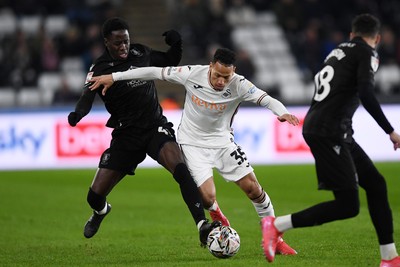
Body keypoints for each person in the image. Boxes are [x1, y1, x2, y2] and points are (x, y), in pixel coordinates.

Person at [89, 47, 300, 256]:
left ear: (233, 71)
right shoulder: (191, 73)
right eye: (217, 75)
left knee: (254, 189)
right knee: (207, 198)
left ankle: (274, 239)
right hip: (192, 144)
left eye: (226, 77)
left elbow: (266, 99)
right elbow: (152, 71)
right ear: (210, 67)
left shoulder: (240, 84)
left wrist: (282, 112)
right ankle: (218, 216)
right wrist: (115, 77)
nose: (221, 82)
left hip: (223, 143)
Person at [260, 14, 400, 266]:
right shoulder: (367, 53)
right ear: (376, 39)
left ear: (351, 35)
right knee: (348, 205)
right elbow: (367, 93)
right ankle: (277, 224)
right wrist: (390, 130)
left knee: (376, 185)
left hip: (333, 129)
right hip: (329, 131)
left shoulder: (336, 53)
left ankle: (389, 258)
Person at [67, 17, 221, 247]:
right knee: (94, 196)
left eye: (126, 41)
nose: (123, 47)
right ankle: (101, 212)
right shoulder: (100, 69)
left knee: (181, 169)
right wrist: (78, 114)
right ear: (106, 42)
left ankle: (202, 225)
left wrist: (176, 44)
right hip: (126, 136)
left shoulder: (141, 54)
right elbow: (87, 97)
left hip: (154, 127)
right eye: (118, 43)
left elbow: (169, 61)